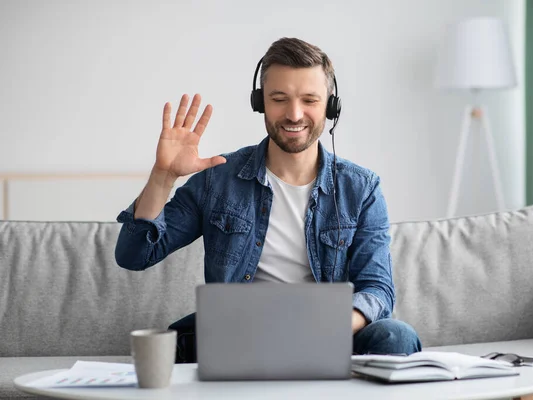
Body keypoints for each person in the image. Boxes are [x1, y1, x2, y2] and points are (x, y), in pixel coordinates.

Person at [115, 37, 422, 362]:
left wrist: (331, 326)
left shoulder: (361, 189)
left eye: (309, 100)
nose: (294, 114)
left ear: (330, 106)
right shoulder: (217, 178)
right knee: (163, 351)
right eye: (280, 99)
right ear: (260, 101)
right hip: (238, 336)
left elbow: (377, 290)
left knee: (395, 337)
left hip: (329, 336)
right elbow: (134, 256)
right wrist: (163, 176)